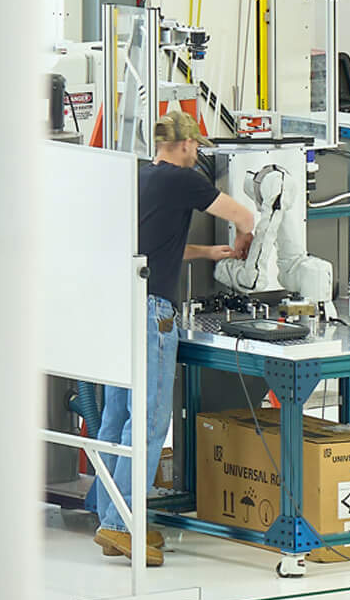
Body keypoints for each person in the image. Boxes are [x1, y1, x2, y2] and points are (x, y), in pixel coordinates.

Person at [90, 110, 257, 565]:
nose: (197, 154)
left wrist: (209, 252)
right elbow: (246, 213)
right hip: (151, 312)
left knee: (117, 417)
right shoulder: (184, 180)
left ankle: (110, 518)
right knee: (149, 419)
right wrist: (245, 237)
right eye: (197, 148)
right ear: (185, 146)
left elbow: (157, 246)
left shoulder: (143, 177)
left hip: (117, 307)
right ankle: (124, 525)